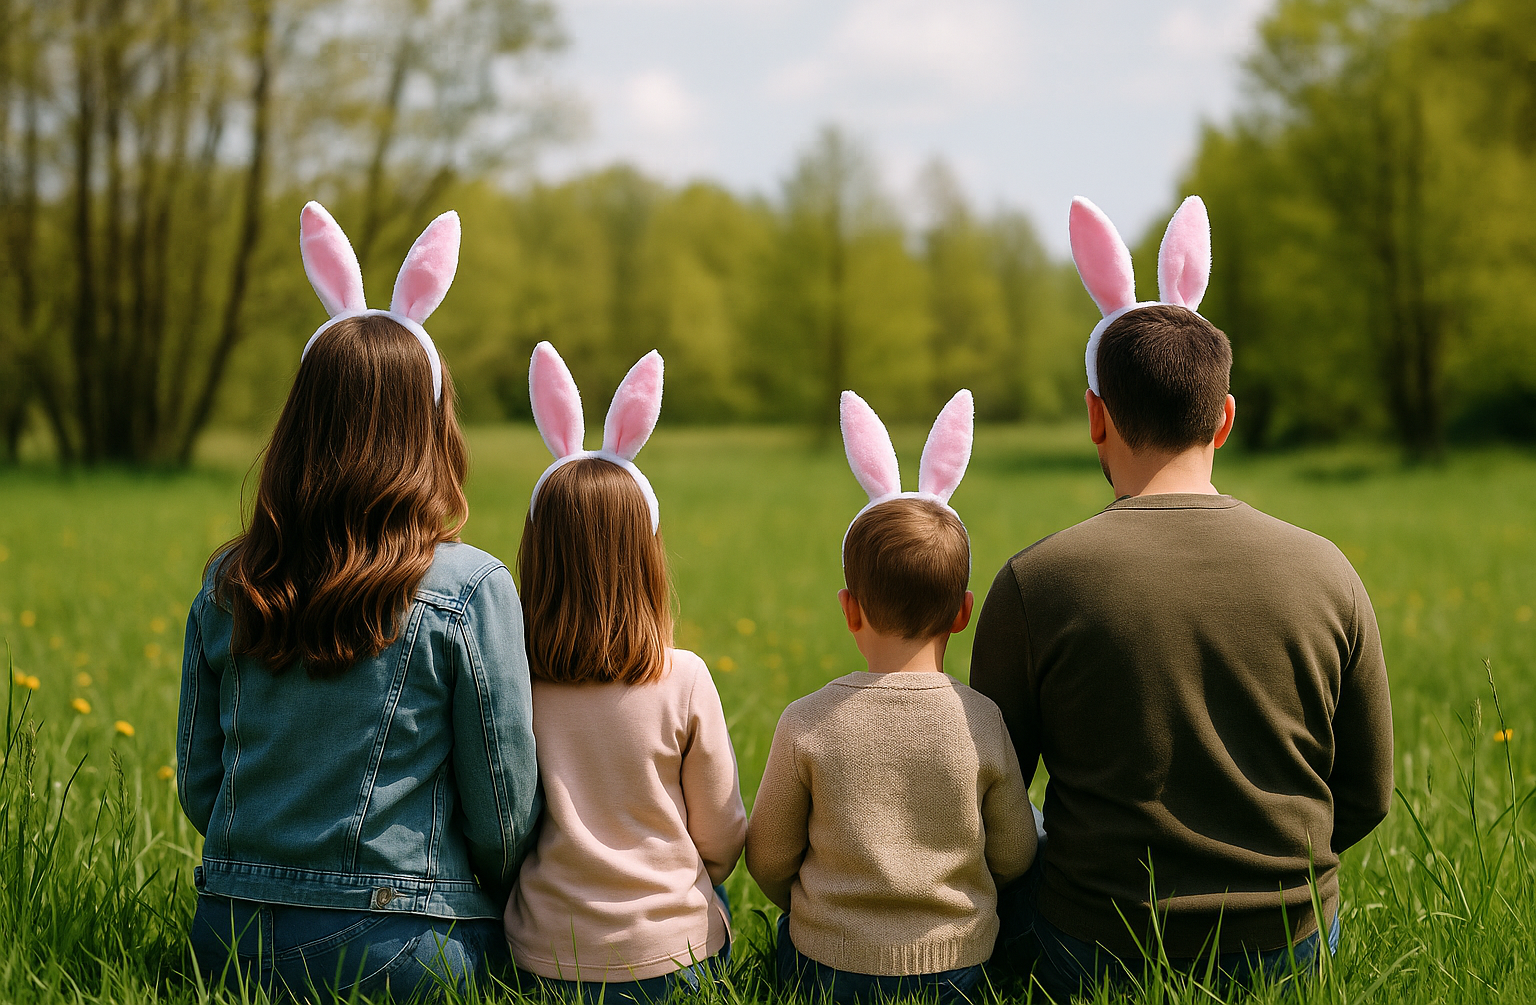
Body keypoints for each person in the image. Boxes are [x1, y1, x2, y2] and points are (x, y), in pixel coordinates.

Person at [971, 195, 1394, 999]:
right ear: (1224, 418)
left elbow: (993, 801)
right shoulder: (1327, 570)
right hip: (1292, 947)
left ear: (1097, 417)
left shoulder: (1037, 582)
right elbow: (1368, 792)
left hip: (1096, 947)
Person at [178, 203, 541, 1002]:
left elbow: (202, 788)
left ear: (301, 429)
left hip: (228, 935)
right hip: (398, 944)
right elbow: (504, 811)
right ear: (432, 428)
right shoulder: (469, 588)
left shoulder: (231, 580)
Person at [746, 390, 1038, 1005]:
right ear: (962, 614)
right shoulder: (980, 720)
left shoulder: (808, 721)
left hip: (826, 965)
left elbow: (768, 858)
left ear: (849, 609)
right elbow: (1014, 853)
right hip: (956, 965)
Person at [504, 342, 747, 1004]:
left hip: (544, 960)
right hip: (674, 961)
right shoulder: (685, 678)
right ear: (647, 558)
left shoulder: (512, 680)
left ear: (537, 556)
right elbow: (721, 839)